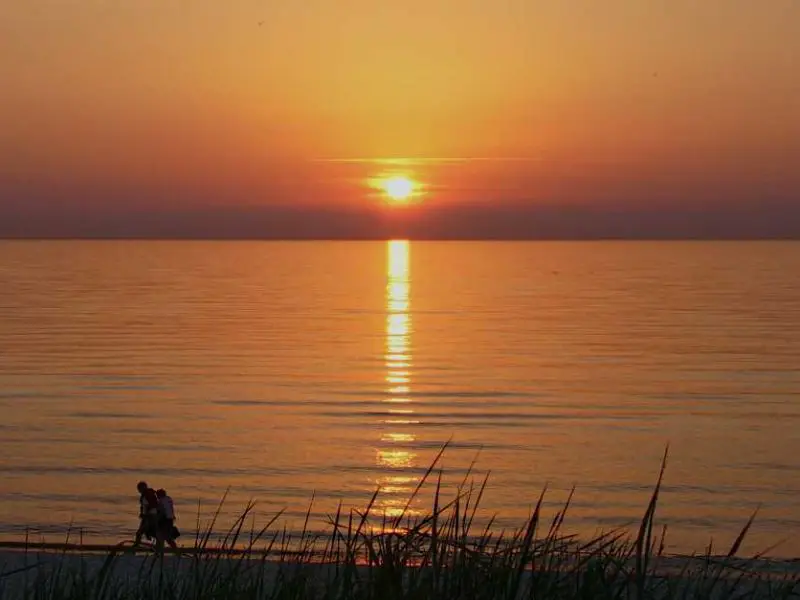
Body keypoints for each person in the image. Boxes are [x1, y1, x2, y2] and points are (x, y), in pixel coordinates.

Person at [134, 481, 159, 546]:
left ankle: (136, 547)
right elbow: (144, 506)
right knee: (146, 532)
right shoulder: (145, 495)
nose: (138, 490)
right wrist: (142, 513)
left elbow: (153, 505)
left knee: (140, 532)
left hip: (150, 516)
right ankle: (158, 546)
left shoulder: (148, 494)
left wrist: (146, 514)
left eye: (139, 488)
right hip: (148, 516)